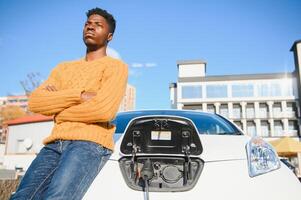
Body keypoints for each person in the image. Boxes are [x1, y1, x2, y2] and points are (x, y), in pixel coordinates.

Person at [11, 7, 128, 200]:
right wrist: (79, 96)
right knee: (22, 196)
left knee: (57, 197)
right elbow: (36, 102)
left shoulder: (116, 67)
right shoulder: (63, 68)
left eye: (97, 25)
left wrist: (58, 110)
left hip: (90, 144)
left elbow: (103, 110)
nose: (90, 27)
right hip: (54, 143)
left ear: (109, 36)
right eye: (87, 24)